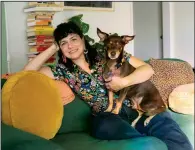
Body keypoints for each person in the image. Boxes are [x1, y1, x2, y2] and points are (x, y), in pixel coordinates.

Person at [23, 21, 193, 150]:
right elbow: (26, 74)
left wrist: (124, 82)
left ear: (82, 40)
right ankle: (150, 142)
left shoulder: (107, 53)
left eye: (74, 39)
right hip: (107, 117)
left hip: (136, 108)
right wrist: (52, 47)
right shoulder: (61, 70)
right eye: (63, 43)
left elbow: (147, 70)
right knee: (105, 125)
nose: (70, 45)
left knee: (168, 127)